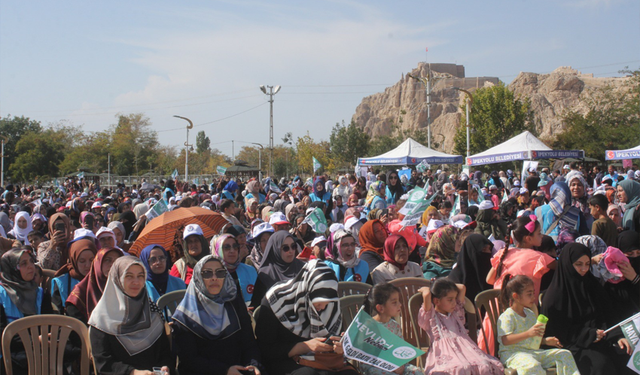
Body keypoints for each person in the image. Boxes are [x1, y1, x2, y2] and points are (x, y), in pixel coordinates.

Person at [541, 243, 633, 375]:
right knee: (601, 366)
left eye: (587, 264)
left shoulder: (592, 285)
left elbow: (609, 314)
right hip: (574, 346)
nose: (584, 269)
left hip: (602, 339)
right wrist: (589, 334)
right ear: (567, 264)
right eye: (578, 264)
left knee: (628, 357)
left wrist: (617, 336)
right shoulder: (554, 297)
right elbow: (558, 332)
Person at [255, 259, 356, 375]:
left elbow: (336, 336)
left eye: (326, 303)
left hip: (324, 360)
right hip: (285, 360)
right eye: (317, 303)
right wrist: (305, 346)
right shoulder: (277, 301)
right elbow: (265, 349)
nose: (322, 308)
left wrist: (340, 347)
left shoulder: (331, 305)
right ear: (306, 293)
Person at [172, 255, 263, 375]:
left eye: (220, 273)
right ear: (198, 277)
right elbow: (190, 360)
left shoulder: (233, 304)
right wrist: (225, 371)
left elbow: (249, 344)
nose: (214, 278)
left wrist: (253, 365)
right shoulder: (184, 316)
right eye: (207, 273)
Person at [89, 256, 174, 375]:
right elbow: (103, 363)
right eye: (129, 276)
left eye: (140, 276)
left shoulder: (152, 312)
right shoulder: (102, 317)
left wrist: (165, 367)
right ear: (117, 279)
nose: (136, 282)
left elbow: (165, 352)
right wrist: (133, 372)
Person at [418, 279, 504, 374]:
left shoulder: (455, 313)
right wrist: (427, 290)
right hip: (445, 352)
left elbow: (462, 287)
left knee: (484, 364)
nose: (454, 303)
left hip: (467, 349)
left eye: (455, 299)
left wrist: (442, 284)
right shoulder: (431, 317)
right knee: (461, 367)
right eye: (450, 300)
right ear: (436, 301)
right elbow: (426, 295)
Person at [497, 274, 579, 374]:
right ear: (516, 296)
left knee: (564, 354)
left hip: (532, 352)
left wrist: (545, 341)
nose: (533, 297)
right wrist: (528, 333)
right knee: (532, 366)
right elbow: (505, 340)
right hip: (513, 354)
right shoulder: (507, 316)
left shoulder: (530, 314)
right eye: (529, 294)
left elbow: (531, 340)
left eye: (533, 293)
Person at [0, 249, 54, 375]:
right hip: (9, 356)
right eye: (23, 263)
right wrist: (33, 340)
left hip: (41, 353)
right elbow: (2, 333)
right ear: (11, 268)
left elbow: (50, 325)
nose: (30, 266)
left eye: (31, 261)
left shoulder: (40, 294)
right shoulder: (2, 295)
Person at [360, 283, 424, 375]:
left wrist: (400, 365)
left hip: (395, 364)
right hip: (375, 367)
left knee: (417, 372)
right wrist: (389, 366)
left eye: (398, 301)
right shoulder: (368, 327)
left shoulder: (395, 326)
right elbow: (366, 357)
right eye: (394, 302)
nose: (400, 305)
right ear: (380, 308)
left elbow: (400, 349)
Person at [66, 247, 123, 323]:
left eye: (117, 261)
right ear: (98, 263)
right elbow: (77, 326)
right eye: (108, 260)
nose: (112, 264)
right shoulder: (80, 293)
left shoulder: (125, 289)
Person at [251, 231, 305, 307]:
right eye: (285, 248)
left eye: (293, 246)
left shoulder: (303, 268)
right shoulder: (265, 275)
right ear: (275, 249)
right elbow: (257, 306)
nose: (291, 251)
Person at [51, 238, 97, 312]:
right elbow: (57, 314)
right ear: (74, 261)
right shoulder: (62, 282)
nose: (88, 265)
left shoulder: (100, 279)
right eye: (82, 261)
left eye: (91, 260)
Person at [212, 234, 257, 305]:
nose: (232, 250)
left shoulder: (250, 271)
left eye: (235, 247)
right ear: (218, 250)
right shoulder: (212, 275)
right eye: (226, 247)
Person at [447, 233, 493, 302]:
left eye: (489, 249)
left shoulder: (490, 275)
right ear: (471, 252)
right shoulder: (456, 279)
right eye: (484, 249)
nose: (488, 252)